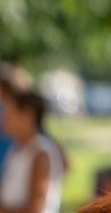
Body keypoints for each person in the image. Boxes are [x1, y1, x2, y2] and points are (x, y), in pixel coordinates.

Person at [0, 85, 64, 213]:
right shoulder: (17, 148)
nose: (4, 119)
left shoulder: (40, 152)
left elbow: (35, 209)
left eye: (10, 112)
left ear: (27, 115)